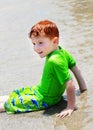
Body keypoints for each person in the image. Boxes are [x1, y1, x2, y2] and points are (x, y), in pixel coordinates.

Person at [0, 20, 87, 118]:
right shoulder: (62, 51)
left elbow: (70, 83)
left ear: (55, 41)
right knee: (16, 95)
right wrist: (83, 88)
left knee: (9, 104)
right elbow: (76, 69)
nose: (36, 48)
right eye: (34, 43)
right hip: (39, 90)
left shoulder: (55, 60)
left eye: (40, 43)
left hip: (45, 99)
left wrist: (70, 107)